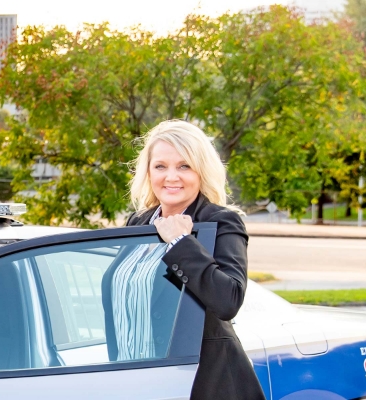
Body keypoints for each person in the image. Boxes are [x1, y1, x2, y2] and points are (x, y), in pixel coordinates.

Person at [102, 120, 266, 400]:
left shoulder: (221, 222)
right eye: (161, 166)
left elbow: (229, 299)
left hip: (203, 385)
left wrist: (181, 243)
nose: (171, 177)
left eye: (184, 166)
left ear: (201, 171)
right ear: (148, 172)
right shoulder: (137, 222)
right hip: (139, 380)